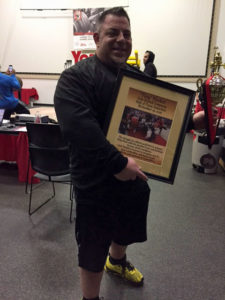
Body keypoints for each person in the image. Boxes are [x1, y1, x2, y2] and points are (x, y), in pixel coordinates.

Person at [54, 7, 214, 300]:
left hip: (133, 173)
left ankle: (116, 263)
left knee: (125, 227)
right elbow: (81, 130)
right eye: (112, 32)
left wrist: (191, 121)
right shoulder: (75, 79)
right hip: (95, 180)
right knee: (92, 243)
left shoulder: (134, 75)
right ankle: (90, 298)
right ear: (95, 37)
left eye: (126, 34)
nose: (121, 39)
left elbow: (156, 122)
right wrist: (117, 162)